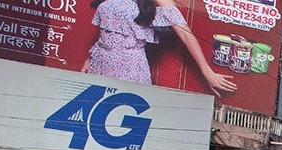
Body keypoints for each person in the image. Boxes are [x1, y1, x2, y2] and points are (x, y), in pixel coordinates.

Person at [83, 0, 236, 98]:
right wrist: (89, 58)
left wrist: (207, 71)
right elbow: (108, 29)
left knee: (121, 114)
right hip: (100, 60)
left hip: (129, 67)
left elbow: (185, 34)